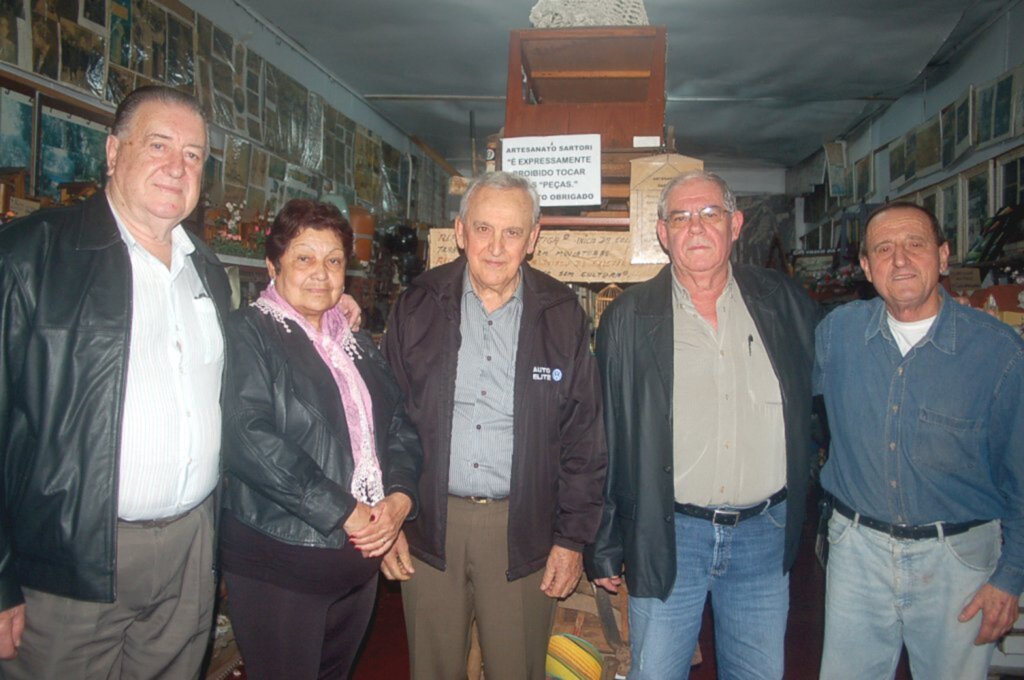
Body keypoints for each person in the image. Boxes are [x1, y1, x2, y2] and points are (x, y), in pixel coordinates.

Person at [0, 85, 228, 678]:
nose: (177, 167)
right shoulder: (31, 255)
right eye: (159, 145)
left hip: (188, 551)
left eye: (194, 154)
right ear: (112, 150)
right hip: (69, 560)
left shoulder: (206, 270)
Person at [586, 170, 820, 679]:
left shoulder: (783, 303)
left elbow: (823, 394)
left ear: (735, 225)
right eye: (681, 217)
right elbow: (606, 437)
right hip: (671, 534)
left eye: (710, 214)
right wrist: (604, 542)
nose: (696, 227)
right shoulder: (627, 318)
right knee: (655, 672)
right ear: (662, 233)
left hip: (765, 532)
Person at [380, 171, 607, 679]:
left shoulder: (562, 314)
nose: (496, 247)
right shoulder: (417, 306)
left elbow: (584, 438)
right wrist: (388, 517)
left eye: (512, 232)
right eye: (483, 229)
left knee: (517, 669)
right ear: (460, 232)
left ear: (533, 238)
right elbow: (386, 421)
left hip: (523, 528)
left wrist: (571, 540)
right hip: (428, 523)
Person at [816, 202, 1024, 679]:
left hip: (959, 561)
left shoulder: (998, 353)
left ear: (944, 256)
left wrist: (1010, 577)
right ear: (866, 268)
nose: (901, 260)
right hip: (857, 553)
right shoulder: (838, 335)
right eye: (884, 250)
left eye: (916, 245)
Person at [219, 199, 422, 679]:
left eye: (333, 261)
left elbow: (397, 426)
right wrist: (347, 512)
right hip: (281, 566)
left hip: (356, 565)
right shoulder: (249, 332)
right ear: (273, 266)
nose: (321, 273)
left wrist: (398, 502)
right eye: (304, 259)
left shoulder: (353, 341)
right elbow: (249, 437)